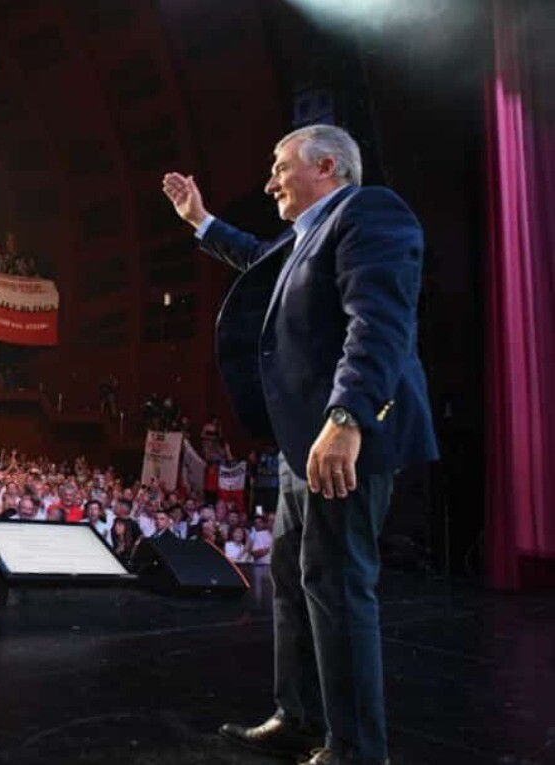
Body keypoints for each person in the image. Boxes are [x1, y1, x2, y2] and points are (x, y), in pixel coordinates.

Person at [164, 124, 438, 765]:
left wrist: (347, 415)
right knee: (292, 579)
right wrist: (201, 220)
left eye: (279, 165)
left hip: (345, 434)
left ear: (326, 165)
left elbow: (378, 319)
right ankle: (301, 718)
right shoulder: (305, 236)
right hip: (303, 442)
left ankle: (355, 749)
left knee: (338, 584)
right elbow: (263, 258)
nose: (269, 180)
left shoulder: (369, 211)